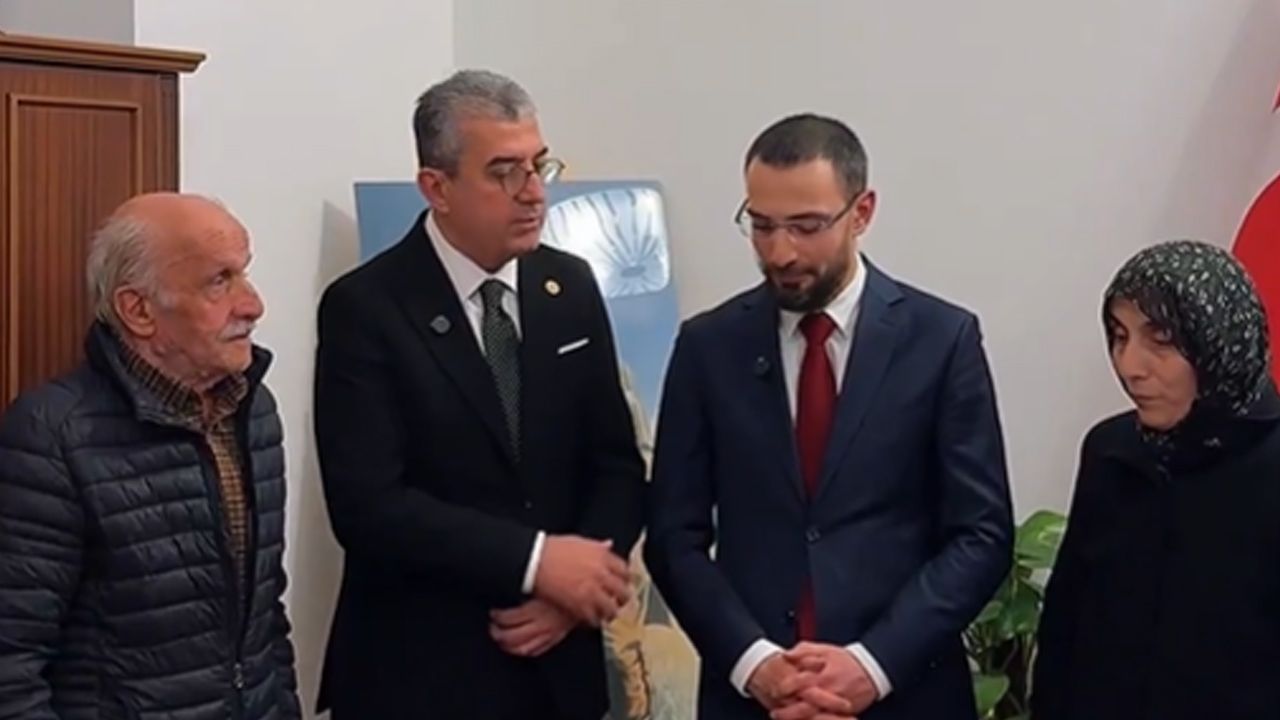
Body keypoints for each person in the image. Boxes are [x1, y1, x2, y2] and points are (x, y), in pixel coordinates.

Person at [645, 113, 1014, 720]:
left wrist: (871, 666)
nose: (780, 251)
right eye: (761, 225)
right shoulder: (708, 348)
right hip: (754, 700)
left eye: (806, 226)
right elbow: (672, 537)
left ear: (861, 212)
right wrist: (755, 662)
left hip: (904, 694)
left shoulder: (941, 340)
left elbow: (982, 534)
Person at [313, 69, 646, 720]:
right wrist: (537, 563)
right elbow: (368, 506)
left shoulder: (570, 286)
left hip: (559, 668)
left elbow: (615, 464)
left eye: (538, 165)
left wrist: (570, 594)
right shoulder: (367, 307)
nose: (533, 193)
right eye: (503, 172)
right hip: (424, 672)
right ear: (435, 187)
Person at [0, 193, 300, 719]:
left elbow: (264, 618)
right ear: (138, 310)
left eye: (244, 273)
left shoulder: (252, 410)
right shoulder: (53, 434)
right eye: (219, 281)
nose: (252, 305)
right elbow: (11, 659)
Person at [1032, 240, 1280, 720]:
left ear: (1219, 339)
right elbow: (1065, 633)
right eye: (1119, 336)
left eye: (1161, 339)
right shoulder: (1112, 452)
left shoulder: (1269, 468)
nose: (1129, 366)